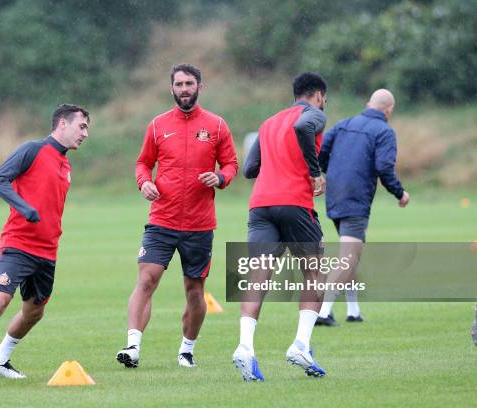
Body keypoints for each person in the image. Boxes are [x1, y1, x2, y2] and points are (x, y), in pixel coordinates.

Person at [0, 104, 90, 386]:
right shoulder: (32, 149)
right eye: (82, 127)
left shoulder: (66, 165)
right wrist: (24, 207)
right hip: (18, 244)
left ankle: (0, 359)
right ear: (62, 124)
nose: (85, 134)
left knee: (35, 311)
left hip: (47, 251)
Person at [116, 63, 238, 369]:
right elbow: (143, 162)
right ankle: (132, 346)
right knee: (147, 279)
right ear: (172, 88)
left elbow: (231, 164)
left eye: (189, 83)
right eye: (179, 84)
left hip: (199, 225)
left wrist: (220, 178)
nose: (184, 89)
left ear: (200, 87)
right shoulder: (157, 125)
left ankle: (187, 349)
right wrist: (144, 182)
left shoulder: (217, 125)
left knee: (195, 292)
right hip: (161, 220)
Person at [232, 72, 328, 381]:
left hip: (260, 205)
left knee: (258, 276)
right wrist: (314, 172)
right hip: (295, 202)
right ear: (318, 95)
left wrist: (277, 164)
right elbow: (303, 127)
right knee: (315, 271)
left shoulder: (268, 122)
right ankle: (301, 344)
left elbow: (249, 169)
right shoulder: (312, 114)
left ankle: (245, 348)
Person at [315, 89, 409, 326]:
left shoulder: (343, 124)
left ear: (368, 104)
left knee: (353, 255)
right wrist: (400, 192)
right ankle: (323, 311)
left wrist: (328, 175)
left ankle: (353, 310)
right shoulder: (385, 131)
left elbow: (321, 154)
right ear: (390, 110)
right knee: (348, 257)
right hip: (356, 199)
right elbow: (384, 167)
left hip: (336, 195)